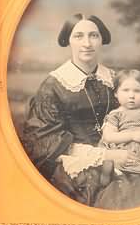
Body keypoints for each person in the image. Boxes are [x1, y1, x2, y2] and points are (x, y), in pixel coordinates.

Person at [22, 13, 124, 206]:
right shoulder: (53, 86)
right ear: (68, 40)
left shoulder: (114, 78)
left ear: (102, 39)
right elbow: (45, 143)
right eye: (78, 36)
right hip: (75, 165)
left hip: (121, 156)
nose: (87, 43)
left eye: (93, 35)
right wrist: (104, 156)